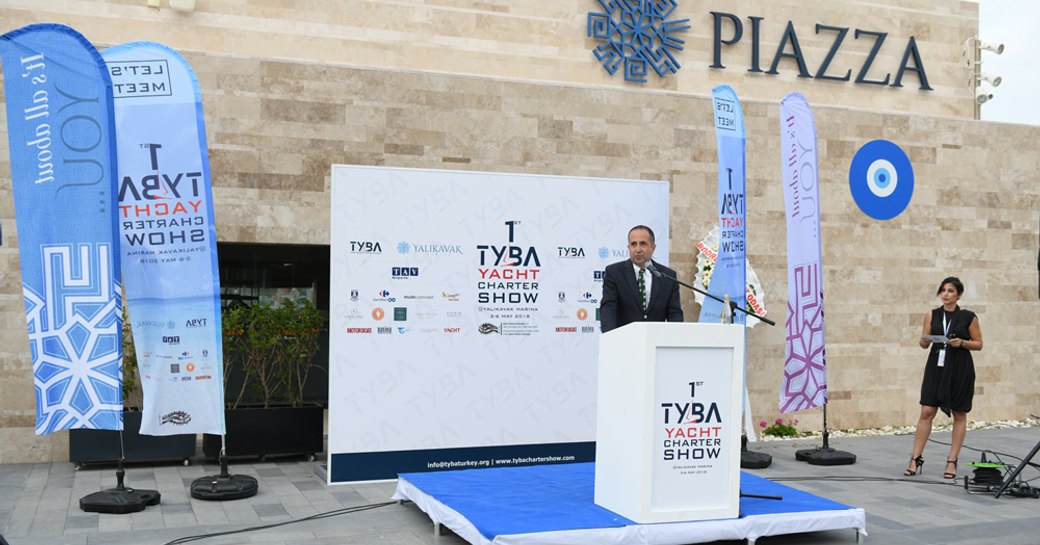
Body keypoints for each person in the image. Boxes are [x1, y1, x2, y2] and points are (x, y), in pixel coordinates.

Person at [905, 277, 983, 479]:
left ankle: (952, 461)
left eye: (950, 291)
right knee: (926, 410)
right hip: (936, 367)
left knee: (959, 413)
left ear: (959, 294)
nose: (946, 294)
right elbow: (924, 343)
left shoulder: (968, 316)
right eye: (943, 290)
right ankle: (915, 458)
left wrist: (962, 343)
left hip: (959, 367)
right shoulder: (932, 314)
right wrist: (923, 341)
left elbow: (979, 343)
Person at [599, 225, 683, 333]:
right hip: (624, 340)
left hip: (656, 342)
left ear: (653, 247)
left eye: (643, 244)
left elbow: (674, 314)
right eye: (633, 244)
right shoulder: (614, 273)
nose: (638, 249)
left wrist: (674, 338)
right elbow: (608, 309)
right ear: (628, 247)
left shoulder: (667, 276)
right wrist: (610, 336)